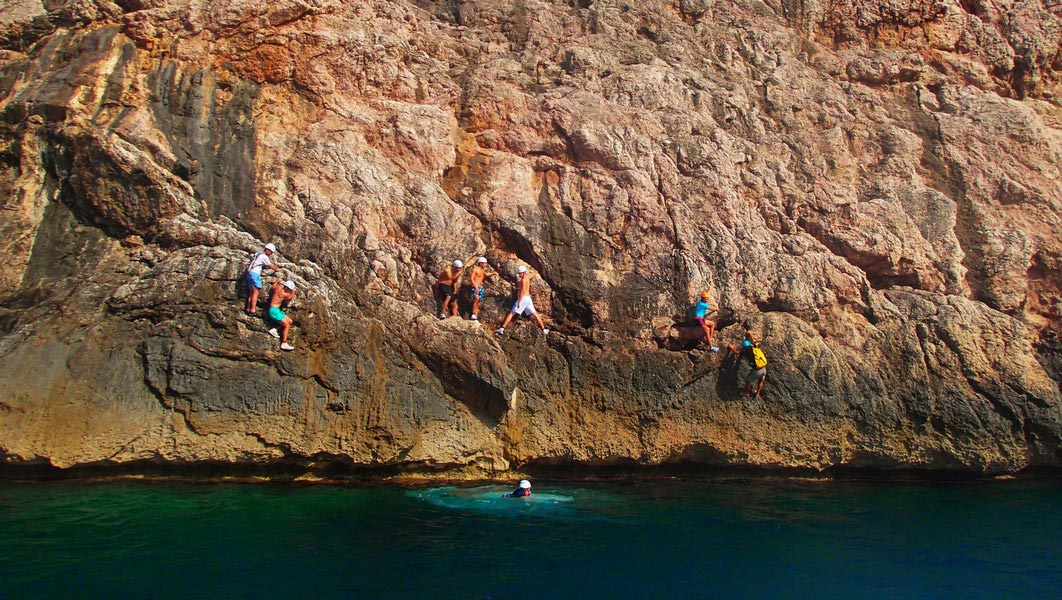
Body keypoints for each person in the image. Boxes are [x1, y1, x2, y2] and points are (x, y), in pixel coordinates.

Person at [495, 265, 548, 336]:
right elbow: (531, 276)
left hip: (523, 299)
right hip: (528, 299)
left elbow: (522, 292)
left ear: (523, 273)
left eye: (520, 273)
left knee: (511, 313)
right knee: (535, 314)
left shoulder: (523, 280)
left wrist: (519, 301)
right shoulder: (527, 277)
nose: (519, 275)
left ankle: (502, 328)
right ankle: (544, 330)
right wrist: (536, 272)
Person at [244, 243, 283, 314]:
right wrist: (278, 269)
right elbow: (270, 265)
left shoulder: (258, 254)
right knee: (256, 292)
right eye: (271, 252)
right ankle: (252, 310)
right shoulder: (264, 257)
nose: (271, 254)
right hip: (255, 274)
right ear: (267, 250)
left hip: (250, 273)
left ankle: (248, 308)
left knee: (252, 293)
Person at [727, 330, 767, 398]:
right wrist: (750, 334)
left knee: (747, 381)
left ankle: (746, 392)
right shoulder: (754, 347)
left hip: (757, 370)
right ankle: (757, 393)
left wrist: (731, 348)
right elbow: (753, 340)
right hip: (764, 368)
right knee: (760, 380)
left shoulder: (746, 351)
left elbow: (737, 353)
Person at [267, 279, 297, 351]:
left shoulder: (278, 288)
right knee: (287, 325)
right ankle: (284, 343)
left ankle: (274, 330)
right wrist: (293, 292)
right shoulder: (284, 294)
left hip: (275, 310)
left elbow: (273, 287)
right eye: (289, 289)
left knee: (290, 321)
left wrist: (277, 281)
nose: (289, 291)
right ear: (287, 288)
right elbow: (289, 297)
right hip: (274, 311)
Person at [468, 257, 498, 321]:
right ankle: (473, 313)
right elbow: (471, 278)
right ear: (480, 263)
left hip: (480, 287)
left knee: (478, 301)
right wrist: (475, 286)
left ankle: (475, 316)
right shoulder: (475, 269)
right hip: (475, 286)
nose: (486, 264)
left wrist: (493, 273)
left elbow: (486, 274)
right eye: (484, 263)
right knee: (476, 298)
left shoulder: (482, 269)